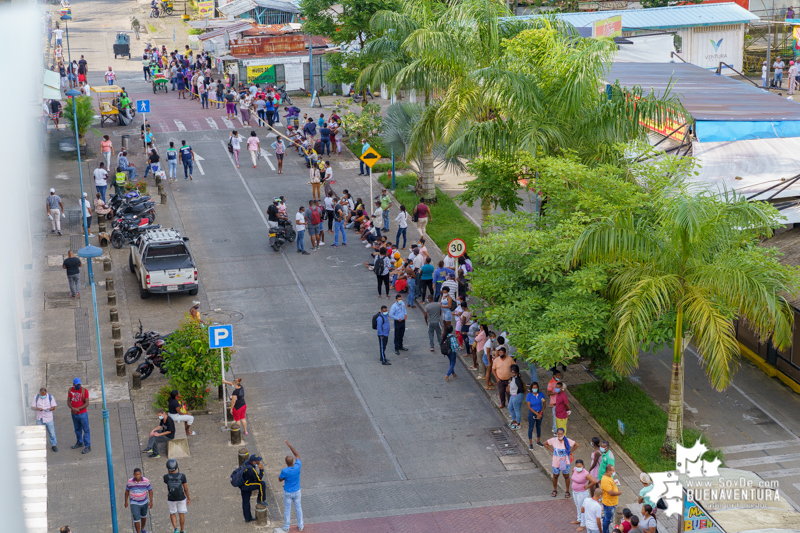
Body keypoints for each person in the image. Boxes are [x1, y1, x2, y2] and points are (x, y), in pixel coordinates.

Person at [544, 428, 577, 498]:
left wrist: (570, 452)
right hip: (556, 462)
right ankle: (555, 490)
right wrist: (552, 450)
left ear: (563, 434)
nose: (560, 435)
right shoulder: (553, 440)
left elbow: (576, 445)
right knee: (555, 476)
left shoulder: (567, 441)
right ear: (556, 434)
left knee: (566, 476)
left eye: (561, 434)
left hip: (565, 462)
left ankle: (567, 490)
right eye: (558, 434)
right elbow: (545, 443)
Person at [279, 440, 303, 532]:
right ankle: (300, 525)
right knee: (298, 508)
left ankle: (286, 526)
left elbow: (280, 479)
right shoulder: (298, 466)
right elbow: (297, 455)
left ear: (286, 462)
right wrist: (289, 445)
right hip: (297, 491)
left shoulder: (284, 471)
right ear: (293, 461)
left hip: (287, 492)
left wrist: (284, 478)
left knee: (287, 509)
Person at [164, 459, 190, 533]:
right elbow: (186, 489)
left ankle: (175, 529)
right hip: (181, 497)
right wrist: (188, 498)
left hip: (171, 498)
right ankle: (182, 530)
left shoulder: (166, 477)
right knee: (181, 514)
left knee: (172, 513)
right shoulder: (182, 476)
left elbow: (167, 483)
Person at [571, 459, 598, 531]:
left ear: (583, 466)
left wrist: (587, 487)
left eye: (580, 466)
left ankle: (583, 524)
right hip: (575, 491)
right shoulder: (574, 469)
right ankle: (579, 519)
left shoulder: (586, 473)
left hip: (581, 493)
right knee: (577, 505)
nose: (578, 467)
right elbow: (573, 473)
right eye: (577, 466)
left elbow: (594, 481)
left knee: (582, 508)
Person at [125, 468, 153, 533]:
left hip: (144, 502)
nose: (137, 476)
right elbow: (126, 491)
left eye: (138, 474)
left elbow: (150, 490)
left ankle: (142, 528)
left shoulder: (146, 481)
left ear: (141, 474)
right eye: (136, 475)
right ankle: (138, 532)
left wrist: (151, 501)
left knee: (144, 516)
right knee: (136, 519)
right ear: (133, 475)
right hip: (134, 503)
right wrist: (126, 501)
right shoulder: (130, 482)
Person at [239, 455, 267, 522]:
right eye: (258, 460)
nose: (259, 461)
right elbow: (259, 479)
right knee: (262, 484)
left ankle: (247, 518)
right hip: (247, 484)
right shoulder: (251, 470)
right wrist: (261, 470)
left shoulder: (246, 462)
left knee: (246, 501)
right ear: (254, 462)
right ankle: (261, 499)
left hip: (243, 484)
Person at [67, 377, 90, 453]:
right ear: (73, 384)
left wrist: (78, 408)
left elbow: (87, 403)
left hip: (83, 414)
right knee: (77, 429)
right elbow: (68, 401)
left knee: (86, 430)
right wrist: (72, 408)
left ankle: (87, 446)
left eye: (79, 384)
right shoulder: (70, 390)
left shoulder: (84, 391)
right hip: (74, 414)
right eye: (77, 384)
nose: (78, 385)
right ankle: (79, 442)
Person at [32, 387, 58, 452]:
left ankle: (53, 445)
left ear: (46, 393)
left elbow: (53, 407)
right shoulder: (36, 397)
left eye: (44, 395)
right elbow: (32, 407)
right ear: (40, 393)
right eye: (41, 395)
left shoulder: (50, 397)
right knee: (39, 432)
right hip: (39, 418)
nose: (43, 396)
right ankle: (40, 446)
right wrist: (38, 408)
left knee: (51, 432)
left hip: (48, 417)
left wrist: (49, 409)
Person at [600, 464, 621, 533]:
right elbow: (610, 492)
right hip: (609, 504)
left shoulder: (609, 477)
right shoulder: (605, 480)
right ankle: (605, 531)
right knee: (608, 520)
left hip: (612, 503)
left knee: (607, 518)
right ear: (609, 471)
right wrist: (619, 493)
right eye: (613, 470)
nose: (614, 471)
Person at [526, 381, 545, 449]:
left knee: (538, 427)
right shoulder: (529, 395)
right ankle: (530, 443)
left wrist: (540, 413)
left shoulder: (541, 394)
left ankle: (538, 441)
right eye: (533, 388)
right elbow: (529, 407)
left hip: (540, 412)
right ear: (531, 388)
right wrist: (537, 414)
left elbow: (544, 404)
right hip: (532, 413)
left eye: (536, 387)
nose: (535, 389)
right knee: (531, 428)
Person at [508, 364, 525, 429]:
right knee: (510, 407)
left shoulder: (518, 380)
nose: (512, 374)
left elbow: (521, 389)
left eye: (513, 373)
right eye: (511, 372)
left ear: (517, 373)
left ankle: (518, 423)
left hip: (517, 396)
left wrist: (515, 395)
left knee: (517, 409)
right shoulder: (512, 378)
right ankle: (514, 421)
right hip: (513, 395)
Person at [547, 369, 562, 435]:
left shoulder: (558, 381)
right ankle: (556, 430)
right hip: (554, 402)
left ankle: (554, 428)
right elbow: (548, 392)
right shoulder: (551, 383)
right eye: (558, 375)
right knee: (555, 416)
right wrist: (555, 392)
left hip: (558, 401)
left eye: (560, 375)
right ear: (554, 375)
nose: (559, 377)